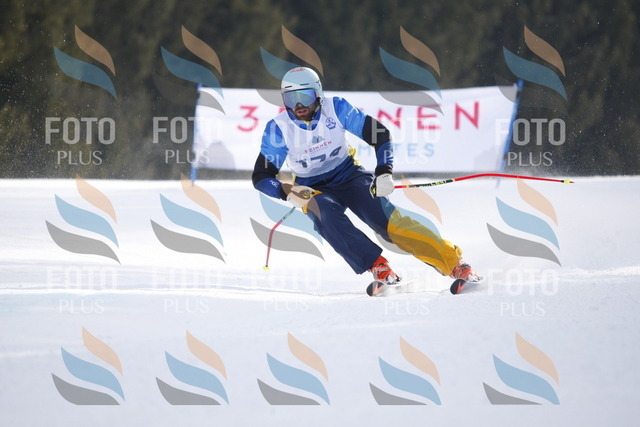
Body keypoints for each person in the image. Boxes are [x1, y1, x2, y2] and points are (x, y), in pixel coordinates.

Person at [252, 67, 479, 293]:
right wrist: (286, 191)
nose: (298, 105)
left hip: (348, 174)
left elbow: (379, 134)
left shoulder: (336, 108)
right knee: (324, 213)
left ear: (318, 93)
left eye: (305, 96)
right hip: (310, 187)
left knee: (386, 221)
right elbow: (261, 176)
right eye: (290, 99)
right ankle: (379, 267)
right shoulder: (279, 129)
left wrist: (384, 171)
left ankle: (455, 265)